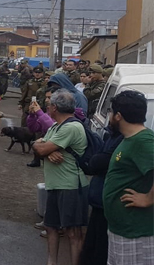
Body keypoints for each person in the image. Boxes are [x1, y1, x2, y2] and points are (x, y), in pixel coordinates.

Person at [32, 90, 89, 265]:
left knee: (73, 232)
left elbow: (41, 148)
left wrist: (45, 149)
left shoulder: (72, 127)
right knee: (51, 227)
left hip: (71, 186)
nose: (47, 107)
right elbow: (37, 144)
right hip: (56, 185)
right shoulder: (56, 127)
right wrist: (47, 150)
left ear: (54, 108)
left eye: (49, 104)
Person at [102, 91, 153, 265]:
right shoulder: (130, 139)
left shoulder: (143, 141)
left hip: (135, 232)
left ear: (118, 116)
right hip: (122, 228)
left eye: (111, 111)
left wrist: (148, 198)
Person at [79, 125, 124, 265]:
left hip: (111, 205)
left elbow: (99, 162)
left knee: (101, 251)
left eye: (112, 111)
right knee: (91, 249)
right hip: (99, 201)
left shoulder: (127, 139)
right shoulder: (112, 136)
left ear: (119, 115)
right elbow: (94, 162)